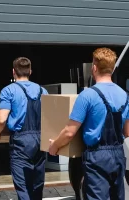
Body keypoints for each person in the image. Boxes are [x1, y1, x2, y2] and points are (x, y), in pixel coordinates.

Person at [49, 47, 129, 200]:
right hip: (118, 155)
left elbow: (69, 132)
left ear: (94, 67)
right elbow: (127, 132)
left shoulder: (87, 95)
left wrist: (55, 146)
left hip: (97, 157)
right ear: (112, 68)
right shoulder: (125, 96)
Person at [0, 57, 48, 200]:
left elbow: (2, 118)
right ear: (30, 71)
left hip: (21, 141)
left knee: (23, 186)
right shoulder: (43, 90)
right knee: (37, 184)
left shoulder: (8, 90)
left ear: (13, 72)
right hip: (41, 140)